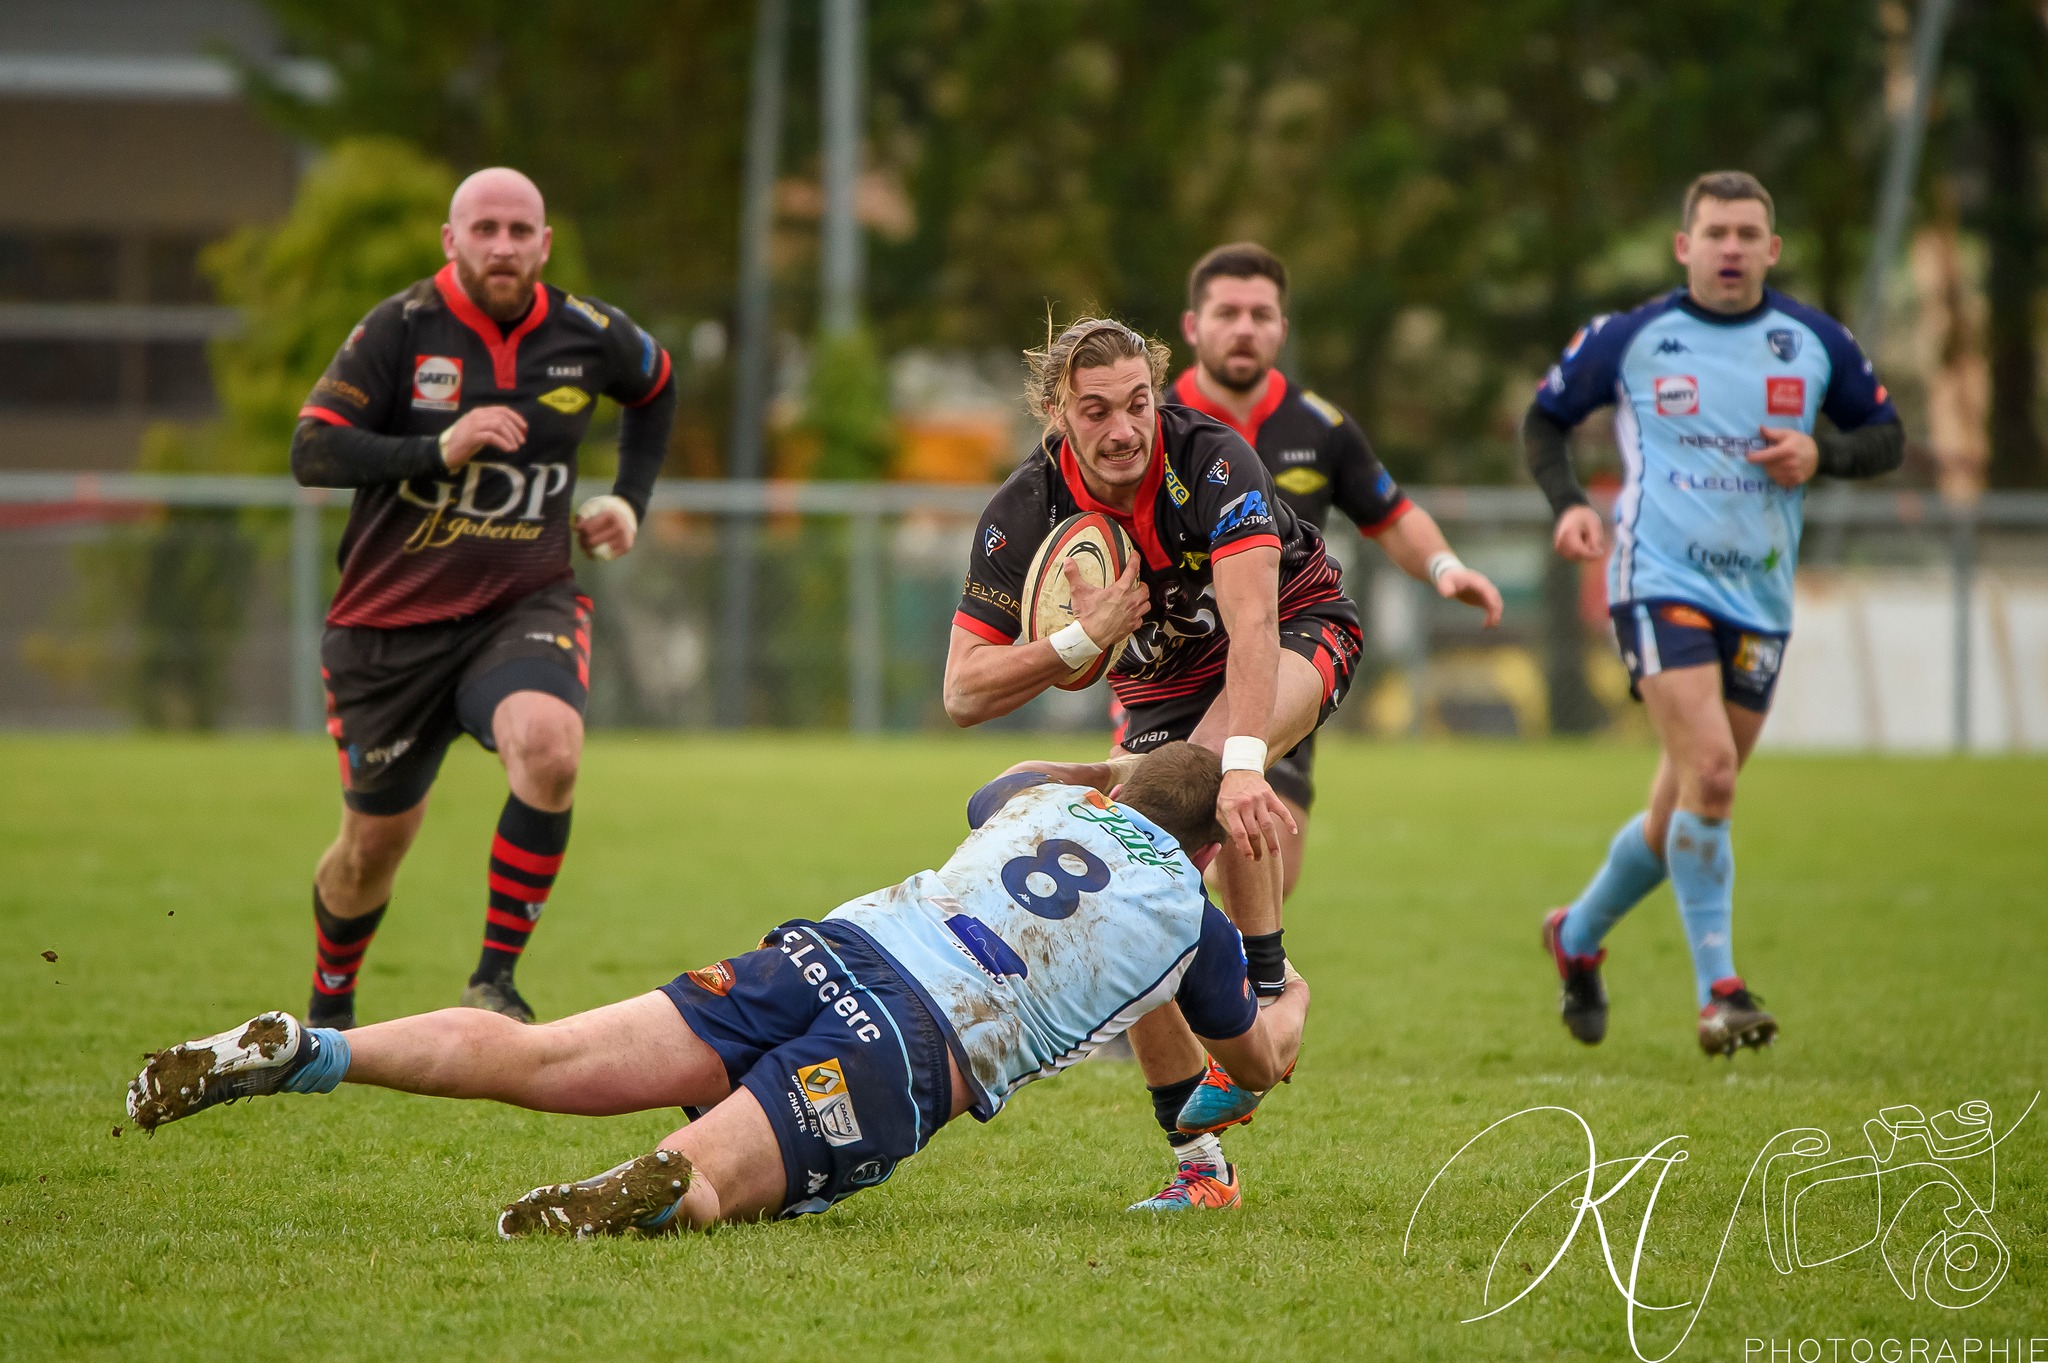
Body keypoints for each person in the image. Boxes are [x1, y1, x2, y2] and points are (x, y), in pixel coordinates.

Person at [125, 744, 1311, 1236]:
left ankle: (319, 1048)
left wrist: (1113, 766)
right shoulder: (1192, 921)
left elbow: (998, 779)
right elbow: (1255, 1063)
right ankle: (649, 1185)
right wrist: (1283, 970)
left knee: (546, 1055)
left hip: (820, 952)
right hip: (909, 1042)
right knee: (714, 1189)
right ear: (1214, 842)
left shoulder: (1044, 802)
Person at [945, 316, 1351, 1211]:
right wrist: (1077, 638)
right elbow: (964, 693)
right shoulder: (1025, 507)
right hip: (1160, 689)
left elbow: (1251, 628)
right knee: (1114, 898)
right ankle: (1201, 1166)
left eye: (1138, 402)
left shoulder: (1211, 460)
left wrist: (1243, 762)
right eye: (1096, 411)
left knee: (1203, 778)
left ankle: (1271, 989)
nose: (1124, 428)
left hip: (1297, 630)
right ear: (1058, 413)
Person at [1525, 170, 1903, 1056]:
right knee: (1715, 775)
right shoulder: (1633, 337)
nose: (1730, 248)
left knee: (1688, 800)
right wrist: (1570, 503)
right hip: (1657, 579)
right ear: (1683, 247)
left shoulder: (1812, 341)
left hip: (1760, 596)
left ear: (1771, 249)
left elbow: (1886, 437)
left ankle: (1575, 937)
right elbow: (1545, 420)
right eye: (1715, 232)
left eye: (1747, 233)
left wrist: (1825, 452)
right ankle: (1721, 991)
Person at [288, 167, 675, 1029]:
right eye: (484, 228)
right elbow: (313, 451)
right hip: (386, 630)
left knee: (551, 746)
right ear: (451, 241)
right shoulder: (399, 330)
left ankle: (494, 980)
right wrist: (438, 450)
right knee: (371, 849)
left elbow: (656, 386)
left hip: (521, 604)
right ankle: (330, 1003)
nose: (502, 245)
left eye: (518, 229)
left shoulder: (587, 331)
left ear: (544, 243)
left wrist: (628, 500)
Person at [1168, 241, 1503, 895]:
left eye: (1261, 314)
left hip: (1283, 658)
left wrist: (1443, 566)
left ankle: (1245, 985)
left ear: (1282, 330)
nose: (1244, 328)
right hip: (1175, 662)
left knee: (1268, 864)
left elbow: (1392, 513)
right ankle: (1213, 987)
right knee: (1172, 838)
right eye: (1227, 312)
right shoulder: (1151, 421)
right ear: (1192, 326)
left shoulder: (1318, 426)